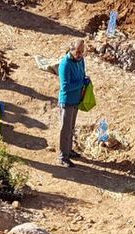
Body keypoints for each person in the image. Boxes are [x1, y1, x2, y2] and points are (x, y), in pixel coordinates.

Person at [57, 37, 88, 168]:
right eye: (78, 52)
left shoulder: (80, 61)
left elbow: (82, 74)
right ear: (72, 50)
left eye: (82, 51)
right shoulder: (65, 64)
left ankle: (69, 150)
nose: (80, 54)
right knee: (65, 129)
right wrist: (81, 83)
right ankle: (62, 156)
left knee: (71, 128)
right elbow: (65, 86)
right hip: (67, 101)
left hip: (76, 99)